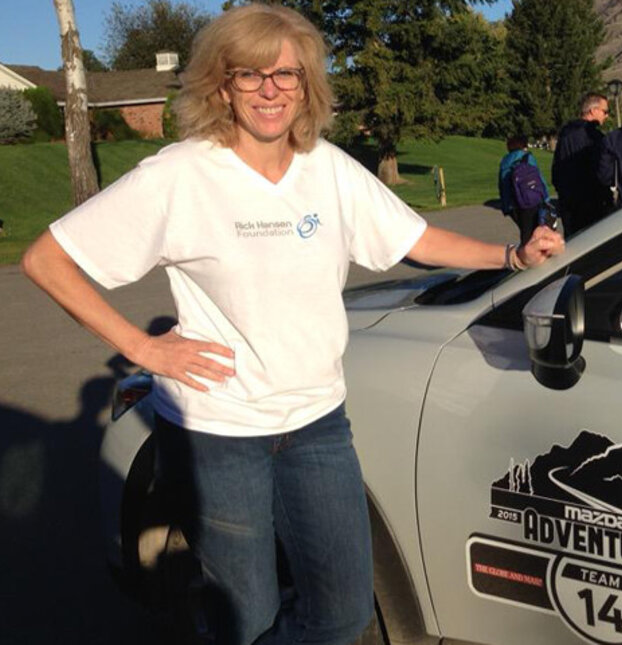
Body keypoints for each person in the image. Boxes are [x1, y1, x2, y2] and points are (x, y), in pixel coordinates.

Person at [20, 5, 562, 645]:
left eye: (287, 74)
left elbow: (414, 238)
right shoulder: (180, 175)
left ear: (308, 85)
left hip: (318, 424)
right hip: (218, 435)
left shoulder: (326, 168)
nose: (270, 90)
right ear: (222, 85)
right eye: (250, 75)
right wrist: (143, 347)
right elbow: (46, 260)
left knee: (343, 611)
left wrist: (511, 256)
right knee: (244, 618)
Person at [552, 93, 611, 234]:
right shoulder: (593, 137)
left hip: (568, 202)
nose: (606, 116)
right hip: (590, 204)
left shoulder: (565, 135)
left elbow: (556, 170)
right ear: (593, 111)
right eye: (605, 111)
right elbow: (600, 171)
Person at [498, 134, 553, 245]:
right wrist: (546, 198)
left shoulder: (505, 161)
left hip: (513, 204)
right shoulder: (527, 157)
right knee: (533, 235)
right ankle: (529, 259)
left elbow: (502, 185)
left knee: (525, 231)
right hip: (530, 200)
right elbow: (538, 178)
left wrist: (505, 206)